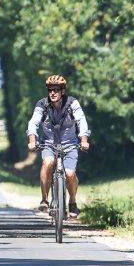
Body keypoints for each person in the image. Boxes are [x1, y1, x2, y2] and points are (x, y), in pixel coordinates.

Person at [26, 74, 90, 218]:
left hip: (69, 145)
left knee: (69, 173)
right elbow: (33, 122)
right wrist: (32, 139)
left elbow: (82, 121)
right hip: (48, 143)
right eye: (50, 90)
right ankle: (44, 199)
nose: (53, 93)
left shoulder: (72, 103)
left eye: (56, 89)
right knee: (47, 162)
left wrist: (84, 139)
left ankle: (72, 202)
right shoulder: (42, 104)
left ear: (62, 91)